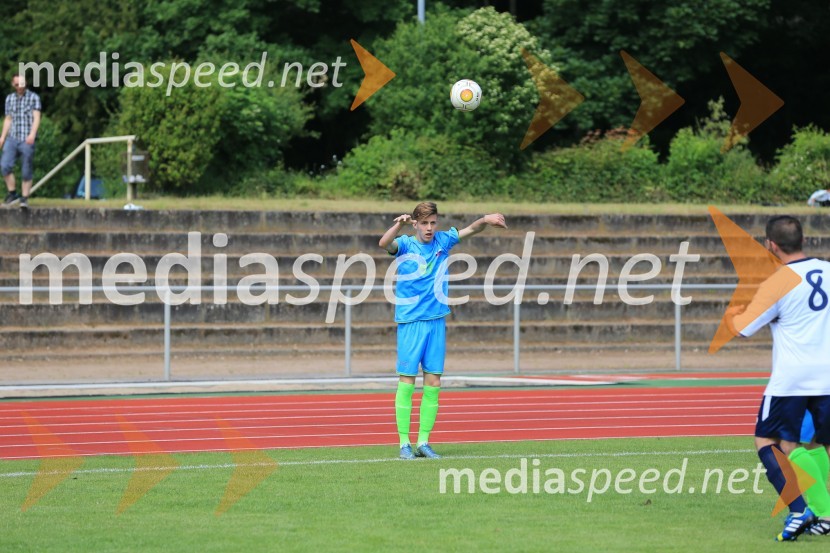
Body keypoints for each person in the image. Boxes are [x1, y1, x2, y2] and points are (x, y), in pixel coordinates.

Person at [726, 215, 830, 540]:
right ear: (804, 240)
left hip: (793, 380)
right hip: (827, 376)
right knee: (817, 444)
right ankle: (825, 514)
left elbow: (743, 328)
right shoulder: (828, 271)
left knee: (769, 441)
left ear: (771, 245)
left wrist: (731, 316)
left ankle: (801, 511)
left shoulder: (778, 281)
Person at [378, 202, 507, 460]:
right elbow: (384, 244)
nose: (429, 228)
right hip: (411, 322)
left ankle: (423, 442)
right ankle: (404, 444)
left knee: (434, 382)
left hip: (436, 321)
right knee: (407, 381)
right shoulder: (404, 244)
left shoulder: (443, 241)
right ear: (415, 223)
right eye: (424, 223)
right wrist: (398, 225)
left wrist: (485, 219)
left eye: (432, 223)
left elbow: (471, 230)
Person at [1, 74, 42, 209]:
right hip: (12, 137)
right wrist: (2, 137)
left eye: (22, 84)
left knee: (26, 169)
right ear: (14, 85)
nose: (20, 87)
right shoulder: (10, 99)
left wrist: (32, 134)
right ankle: (12, 193)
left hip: (27, 138)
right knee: (5, 165)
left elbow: (36, 117)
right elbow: (8, 119)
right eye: (17, 84)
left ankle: (24, 198)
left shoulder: (33, 98)